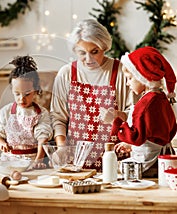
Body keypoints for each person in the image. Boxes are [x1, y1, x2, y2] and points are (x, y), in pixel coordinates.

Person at [50, 19, 135, 171]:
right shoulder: (66, 74)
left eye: (94, 52)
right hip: (75, 161)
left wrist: (118, 115)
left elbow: (136, 116)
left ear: (104, 47)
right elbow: (58, 117)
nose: (88, 59)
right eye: (82, 53)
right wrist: (61, 146)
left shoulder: (121, 71)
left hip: (115, 160)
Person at [110, 46, 177, 177]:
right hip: (164, 158)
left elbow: (136, 137)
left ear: (143, 76)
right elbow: (171, 129)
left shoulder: (145, 104)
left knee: (117, 168)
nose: (127, 84)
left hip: (148, 161)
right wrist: (131, 146)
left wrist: (117, 122)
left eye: (130, 78)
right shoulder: (161, 98)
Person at [0, 55, 53, 169]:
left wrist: (39, 160)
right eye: (17, 94)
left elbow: (43, 140)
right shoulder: (5, 112)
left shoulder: (41, 113)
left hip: (33, 161)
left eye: (27, 94)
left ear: (35, 90)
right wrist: (1, 143)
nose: (22, 99)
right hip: (10, 163)